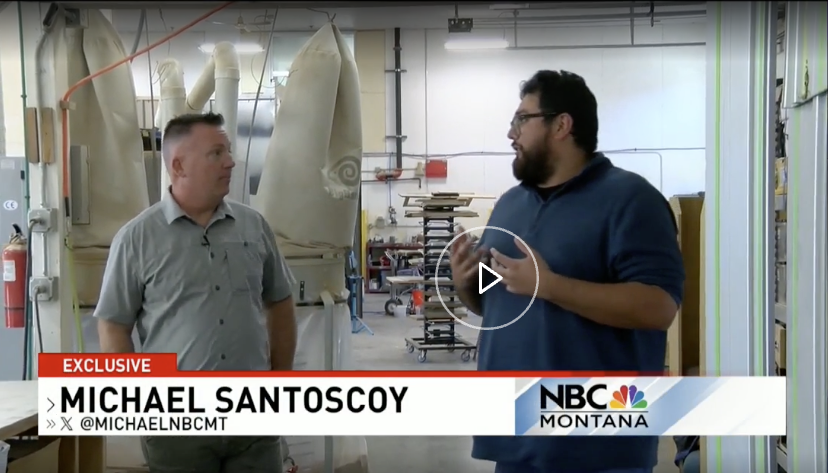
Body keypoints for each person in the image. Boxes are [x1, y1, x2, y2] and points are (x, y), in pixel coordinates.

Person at [449, 70, 685, 473]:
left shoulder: (632, 200)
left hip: (597, 447)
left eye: (522, 119)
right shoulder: (510, 204)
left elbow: (658, 306)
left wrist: (551, 285)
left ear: (562, 124)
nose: (511, 133)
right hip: (514, 442)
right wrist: (466, 284)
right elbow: (499, 306)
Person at [95, 112, 297, 473]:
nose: (230, 162)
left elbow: (280, 303)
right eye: (216, 153)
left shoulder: (254, 226)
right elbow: (113, 327)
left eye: (228, 151)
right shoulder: (137, 238)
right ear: (178, 166)